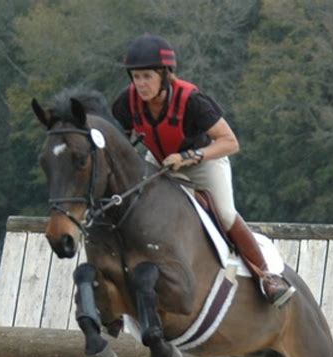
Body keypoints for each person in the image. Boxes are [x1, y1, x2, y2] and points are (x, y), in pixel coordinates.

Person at [112, 34, 295, 308]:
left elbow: (230, 142)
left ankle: (267, 277)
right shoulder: (127, 102)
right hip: (161, 162)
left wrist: (190, 156)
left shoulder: (192, 101)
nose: (141, 84)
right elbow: (122, 143)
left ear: (165, 75)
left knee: (225, 213)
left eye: (147, 76)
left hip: (204, 161)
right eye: (136, 77)